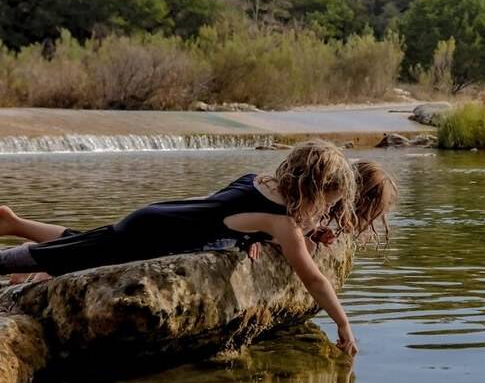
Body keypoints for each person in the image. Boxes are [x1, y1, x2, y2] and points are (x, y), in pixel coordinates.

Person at [0, 140, 365, 356]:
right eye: (326, 202)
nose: (324, 211)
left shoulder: (259, 181)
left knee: (86, 244)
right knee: (70, 256)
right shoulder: (282, 222)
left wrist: (254, 237)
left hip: (158, 217)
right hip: (156, 234)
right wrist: (344, 323)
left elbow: (229, 213)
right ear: (311, 191)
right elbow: (314, 280)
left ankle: (13, 223)